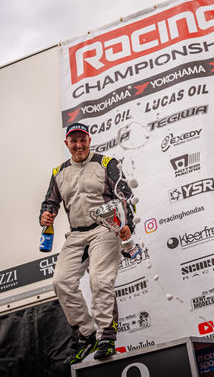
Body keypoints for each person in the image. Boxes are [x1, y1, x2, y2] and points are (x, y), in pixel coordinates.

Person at [39, 122, 136, 364]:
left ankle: (106, 337)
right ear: (67, 143)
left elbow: (125, 196)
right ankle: (87, 334)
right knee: (61, 282)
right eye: (74, 141)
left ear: (89, 140)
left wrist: (127, 225)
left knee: (99, 280)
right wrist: (45, 214)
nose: (79, 145)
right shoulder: (58, 172)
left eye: (83, 140)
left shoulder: (107, 163)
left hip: (106, 228)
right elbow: (50, 203)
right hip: (76, 235)